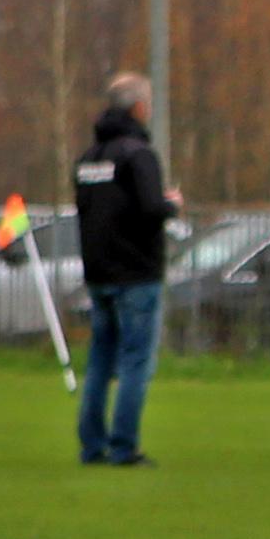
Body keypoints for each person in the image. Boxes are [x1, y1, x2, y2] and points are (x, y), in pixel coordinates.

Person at [69, 72, 180, 468]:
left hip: (99, 274)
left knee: (100, 362)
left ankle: (92, 445)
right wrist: (172, 204)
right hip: (137, 274)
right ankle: (123, 446)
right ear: (138, 108)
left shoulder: (87, 159)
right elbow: (151, 208)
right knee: (135, 362)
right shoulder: (139, 154)